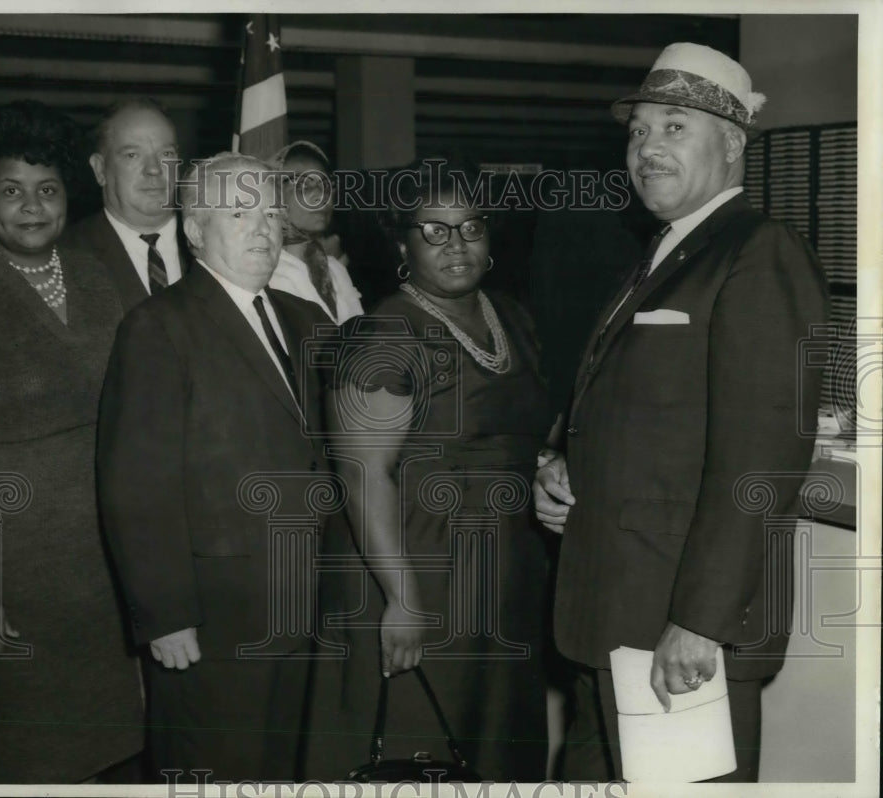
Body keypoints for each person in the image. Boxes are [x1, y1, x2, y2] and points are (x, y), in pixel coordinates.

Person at [534, 42, 830, 782]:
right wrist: (564, 468)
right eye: (639, 130)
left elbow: (761, 458)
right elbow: (646, 417)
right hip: (616, 618)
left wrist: (699, 621)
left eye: (674, 127)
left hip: (678, 633)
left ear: (731, 145)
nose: (647, 147)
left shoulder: (757, 254)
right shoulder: (662, 257)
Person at [0, 100, 144, 783]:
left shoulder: (102, 280)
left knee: (122, 752)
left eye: (47, 190)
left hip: (107, 568)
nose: (32, 206)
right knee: (32, 759)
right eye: (10, 191)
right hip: (16, 574)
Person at [97, 152, 333, 780]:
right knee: (214, 771)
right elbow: (135, 485)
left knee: (285, 771)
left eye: (270, 211)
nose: (262, 226)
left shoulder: (304, 319)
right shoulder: (158, 327)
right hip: (214, 619)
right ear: (195, 231)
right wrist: (167, 615)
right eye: (238, 211)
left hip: (305, 604)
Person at [317, 158, 552, 780]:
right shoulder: (384, 334)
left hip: (504, 570)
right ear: (401, 241)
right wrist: (402, 598)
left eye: (471, 227)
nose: (457, 244)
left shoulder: (514, 317)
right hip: (420, 565)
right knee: (424, 749)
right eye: (435, 230)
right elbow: (362, 474)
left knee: (496, 743)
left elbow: (522, 430)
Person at [65, 97, 192, 312]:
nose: (154, 169)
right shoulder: (65, 255)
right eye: (132, 155)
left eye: (166, 154)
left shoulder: (214, 239)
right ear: (99, 169)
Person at [269, 140, 364, 323]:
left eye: (326, 184)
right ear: (273, 192)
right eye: (303, 185)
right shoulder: (264, 272)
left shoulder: (334, 270)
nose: (321, 195)